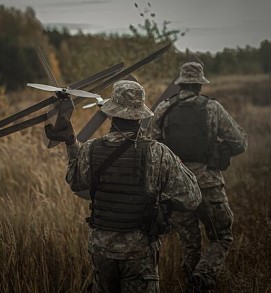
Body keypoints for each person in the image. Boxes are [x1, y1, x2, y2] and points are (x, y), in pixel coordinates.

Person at [45, 80, 201, 292]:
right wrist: (161, 201)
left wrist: (72, 143)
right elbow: (192, 198)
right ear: (139, 116)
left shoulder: (91, 148)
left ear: (111, 114)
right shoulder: (158, 153)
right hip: (138, 253)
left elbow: (75, 181)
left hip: (101, 250)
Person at [147, 62, 248, 291]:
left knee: (190, 244)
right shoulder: (212, 108)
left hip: (177, 188)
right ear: (200, 85)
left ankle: (192, 285)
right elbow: (240, 143)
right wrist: (221, 149)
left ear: (180, 84)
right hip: (208, 184)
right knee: (221, 236)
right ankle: (203, 277)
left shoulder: (163, 109)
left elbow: (151, 147)